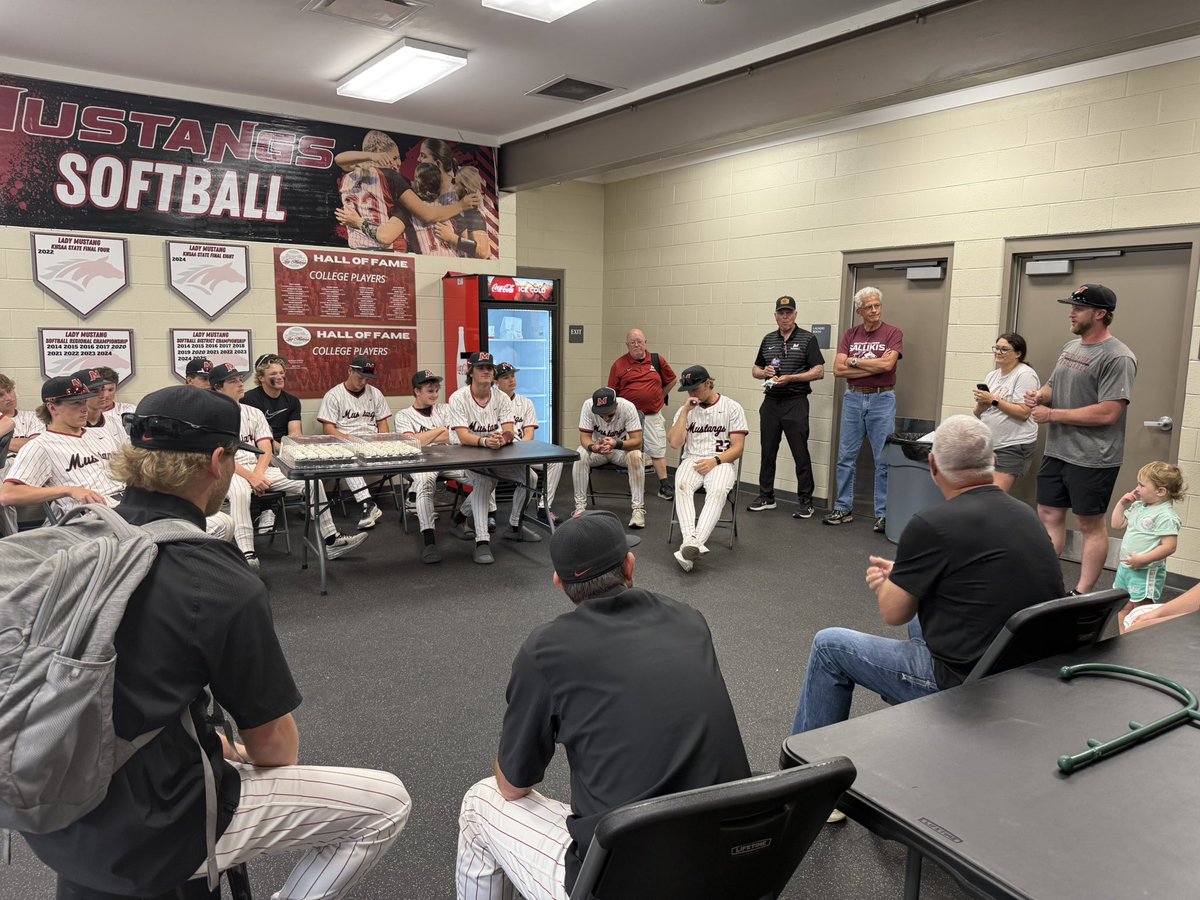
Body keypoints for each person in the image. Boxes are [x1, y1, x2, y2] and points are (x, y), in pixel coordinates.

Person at [22, 385, 411, 898]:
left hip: (46, 807)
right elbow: (275, 748)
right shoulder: (214, 576)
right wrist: (234, 751)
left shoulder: (71, 538)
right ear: (218, 460)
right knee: (385, 804)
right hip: (157, 829)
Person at [455, 510, 750, 900]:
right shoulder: (689, 619)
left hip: (625, 880)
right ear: (630, 564)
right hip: (731, 866)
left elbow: (513, 787)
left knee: (481, 801)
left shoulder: (545, 651)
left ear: (558, 582)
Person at [790, 416, 1065, 739]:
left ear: (933, 465)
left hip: (967, 684)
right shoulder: (1026, 514)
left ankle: (801, 772)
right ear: (993, 461)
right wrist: (911, 574)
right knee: (920, 622)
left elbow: (893, 613)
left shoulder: (931, 523)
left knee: (829, 645)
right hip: (1023, 671)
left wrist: (888, 584)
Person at [1024, 284, 1137, 594]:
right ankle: (1042, 582)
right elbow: (1053, 387)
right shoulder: (1070, 348)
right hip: (1058, 450)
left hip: (1093, 457)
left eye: (1078, 307)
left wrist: (1053, 415)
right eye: (1071, 306)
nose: (1071, 313)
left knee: (1090, 525)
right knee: (1048, 514)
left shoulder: (1118, 357)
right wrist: (1040, 395)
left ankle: (1082, 593)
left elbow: (1108, 413)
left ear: (1100, 314)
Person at [211, 363, 366, 570]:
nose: (240, 384)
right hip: (231, 471)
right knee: (240, 493)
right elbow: (222, 458)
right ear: (218, 388)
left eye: (240, 379)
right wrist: (251, 477)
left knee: (311, 481)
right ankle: (247, 556)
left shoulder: (254, 412)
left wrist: (258, 473)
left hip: (259, 467)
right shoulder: (211, 415)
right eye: (233, 381)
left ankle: (331, 540)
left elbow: (265, 448)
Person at [448, 351, 537, 564]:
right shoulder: (458, 397)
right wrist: (485, 441)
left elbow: (509, 429)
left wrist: (502, 438)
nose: (486, 371)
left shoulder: (501, 397)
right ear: (471, 371)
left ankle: (515, 526)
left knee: (530, 478)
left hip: (496, 451)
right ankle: (482, 541)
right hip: (466, 453)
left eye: (489, 367)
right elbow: (463, 435)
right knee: (484, 481)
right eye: (481, 367)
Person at [827, 286, 903, 532]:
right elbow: (838, 370)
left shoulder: (892, 333)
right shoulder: (850, 334)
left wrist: (855, 361)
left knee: (883, 458)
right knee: (846, 457)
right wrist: (874, 366)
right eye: (869, 307)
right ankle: (843, 508)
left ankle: (882, 514)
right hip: (853, 398)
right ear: (859, 310)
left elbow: (887, 365)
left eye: (877, 305)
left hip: (882, 399)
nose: (874, 310)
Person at [1, 372, 125, 513]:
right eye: (76, 403)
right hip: (96, 513)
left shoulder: (102, 433)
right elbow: (8, 495)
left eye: (84, 401)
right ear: (52, 408)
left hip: (128, 502)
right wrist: (69, 490)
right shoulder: (40, 445)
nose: (84, 408)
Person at [748, 295, 825, 518]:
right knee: (767, 451)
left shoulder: (808, 339)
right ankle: (766, 496)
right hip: (771, 402)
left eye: (789, 312)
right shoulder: (768, 339)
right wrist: (764, 373)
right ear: (775, 316)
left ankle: (806, 501)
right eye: (781, 313)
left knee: (800, 452)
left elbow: (818, 371)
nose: (785, 317)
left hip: (796, 402)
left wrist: (791, 378)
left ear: (795, 315)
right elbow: (755, 369)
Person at [667, 365, 748, 572]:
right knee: (682, 486)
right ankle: (690, 544)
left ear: (707, 383)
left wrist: (715, 461)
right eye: (688, 389)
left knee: (718, 491)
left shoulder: (732, 407)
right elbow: (675, 443)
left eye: (695, 388)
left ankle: (690, 545)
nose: (692, 393)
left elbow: (738, 448)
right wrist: (685, 412)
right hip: (692, 459)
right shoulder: (685, 410)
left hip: (721, 461)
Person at [394, 368, 465, 564]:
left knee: (483, 477)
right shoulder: (403, 415)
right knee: (425, 482)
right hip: (422, 462)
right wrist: (441, 430)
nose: (434, 394)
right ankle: (429, 538)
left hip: (449, 458)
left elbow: (455, 437)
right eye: (429, 390)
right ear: (417, 391)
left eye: (436, 390)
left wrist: (425, 437)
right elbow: (411, 443)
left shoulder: (445, 409)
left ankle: (459, 518)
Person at [318, 356, 393, 530]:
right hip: (345, 441)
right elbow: (328, 430)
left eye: (367, 378)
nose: (363, 382)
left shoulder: (375, 393)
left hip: (372, 441)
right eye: (360, 377)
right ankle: (368, 504)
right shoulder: (334, 395)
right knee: (348, 459)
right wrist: (353, 441)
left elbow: (383, 424)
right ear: (349, 371)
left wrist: (382, 441)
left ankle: (412, 499)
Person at [1110, 461, 1183, 628]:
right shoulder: (1139, 506)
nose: (1137, 489)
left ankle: (1138, 647)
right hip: (1126, 568)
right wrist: (1121, 504)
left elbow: (1170, 546)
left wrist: (1143, 559)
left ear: (1160, 491)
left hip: (1145, 571)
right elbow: (1116, 524)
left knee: (1140, 613)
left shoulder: (1166, 516)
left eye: (1142, 485)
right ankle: (1125, 643)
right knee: (1122, 607)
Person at [607, 328, 676, 500]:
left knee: (657, 449)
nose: (637, 345)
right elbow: (612, 393)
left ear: (646, 342)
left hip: (652, 414)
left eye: (639, 341)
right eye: (633, 342)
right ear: (627, 345)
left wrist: (660, 394)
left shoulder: (657, 360)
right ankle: (636, 485)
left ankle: (664, 486)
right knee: (633, 452)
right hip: (629, 418)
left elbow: (672, 379)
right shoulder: (619, 365)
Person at [972, 333, 1039, 492]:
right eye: (996, 348)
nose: (998, 352)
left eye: (1004, 349)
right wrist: (983, 402)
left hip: (1012, 444)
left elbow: (1023, 413)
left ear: (1018, 353)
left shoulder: (1025, 375)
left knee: (994, 495)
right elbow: (978, 413)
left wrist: (993, 400)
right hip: (991, 444)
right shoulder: (992, 375)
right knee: (981, 492)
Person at [495, 361, 562, 522]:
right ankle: (490, 513)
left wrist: (521, 451)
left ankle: (544, 507)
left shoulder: (526, 403)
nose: (511, 380)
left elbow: (529, 434)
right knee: (487, 475)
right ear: (496, 382)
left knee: (556, 462)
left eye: (513, 376)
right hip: (498, 452)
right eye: (505, 377)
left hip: (521, 449)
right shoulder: (491, 402)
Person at [572, 387, 646, 527]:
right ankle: (580, 507)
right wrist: (593, 447)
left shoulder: (627, 407)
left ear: (615, 405)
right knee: (580, 453)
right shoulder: (587, 405)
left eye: (609, 415)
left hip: (620, 451)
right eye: (601, 415)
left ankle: (638, 510)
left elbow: (637, 441)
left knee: (636, 455)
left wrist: (616, 444)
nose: (605, 418)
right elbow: (584, 437)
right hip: (598, 451)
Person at [0, 372, 45, 532]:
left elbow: (35, 445)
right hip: (3, 468)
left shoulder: (33, 417)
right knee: (2, 495)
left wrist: (4, 443)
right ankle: (11, 539)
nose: (9, 398)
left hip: (28, 465)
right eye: (1, 395)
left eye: (10, 391)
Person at [241, 353, 303, 453]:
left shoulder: (292, 401)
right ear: (261, 378)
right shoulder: (248, 400)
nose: (279, 377)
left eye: (281, 373)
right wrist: (285, 451)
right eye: (273, 374)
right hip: (260, 449)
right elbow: (256, 436)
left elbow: (295, 433)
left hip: (286, 449)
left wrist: (295, 451)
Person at [434, 166, 492, 258]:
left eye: (456, 185)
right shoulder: (466, 212)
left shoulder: (473, 214)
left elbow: (483, 252)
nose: (454, 188)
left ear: (465, 189)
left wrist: (451, 237)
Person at [84, 366, 136, 446]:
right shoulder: (81, 416)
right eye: (102, 390)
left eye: (111, 390)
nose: (105, 395)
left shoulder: (130, 410)